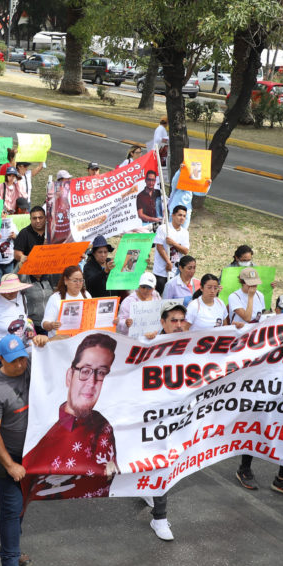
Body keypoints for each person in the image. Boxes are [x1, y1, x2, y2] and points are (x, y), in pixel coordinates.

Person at [0, 332, 49, 566]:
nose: (20, 365)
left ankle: (11, 547)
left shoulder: (31, 364)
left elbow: (68, 347)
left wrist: (47, 340)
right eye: (13, 361)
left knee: (21, 508)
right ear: (0, 359)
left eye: (21, 358)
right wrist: (9, 465)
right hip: (8, 457)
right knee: (11, 509)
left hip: (32, 456)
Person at [23, 334, 119, 501]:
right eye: (85, 371)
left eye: (102, 373)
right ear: (69, 376)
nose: (92, 382)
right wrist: (47, 342)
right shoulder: (43, 421)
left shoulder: (104, 426)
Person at [234, 294, 283, 499]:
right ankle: (244, 468)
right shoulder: (264, 323)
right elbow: (244, 337)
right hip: (263, 387)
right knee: (257, 427)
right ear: (277, 310)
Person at [138, 301, 188, 540]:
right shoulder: (149, 345)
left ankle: (157, 509)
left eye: (181, 320)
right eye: (173, 321)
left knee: (164, 464)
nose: (178, 325)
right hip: (150, 417)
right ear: (163, 323)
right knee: (158, 463)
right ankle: (159, 517)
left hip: (178, 417)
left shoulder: (193, 345)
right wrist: (146, 343)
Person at [41, 266, 90, 338]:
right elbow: (44, 323)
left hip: (81, 339)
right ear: (66, 281)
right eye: (75, 281)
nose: (78, 283)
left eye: (81, 280)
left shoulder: (86, 294)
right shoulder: (55, 298)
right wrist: (52, 325)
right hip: (61, 342)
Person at [152, 205, 189, 295]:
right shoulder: (164, 228)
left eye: (184, 216)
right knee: (158, 296)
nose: (182, 218)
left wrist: (174, 243)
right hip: (161, 271)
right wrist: (168, 262)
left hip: (175, 272)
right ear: (173, 215)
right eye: (179, 215)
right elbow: (159, 246)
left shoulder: (185, 232)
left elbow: (185, 251)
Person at [116, 273, 161, 337]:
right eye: (143, 287)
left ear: (154, 288)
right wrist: (126, 323)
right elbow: (119, 323)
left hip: (152, 339)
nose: (146, 290)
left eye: (149, 287)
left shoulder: (157, 298)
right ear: (139, 285)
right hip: (133, 340)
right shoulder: (129, 301)